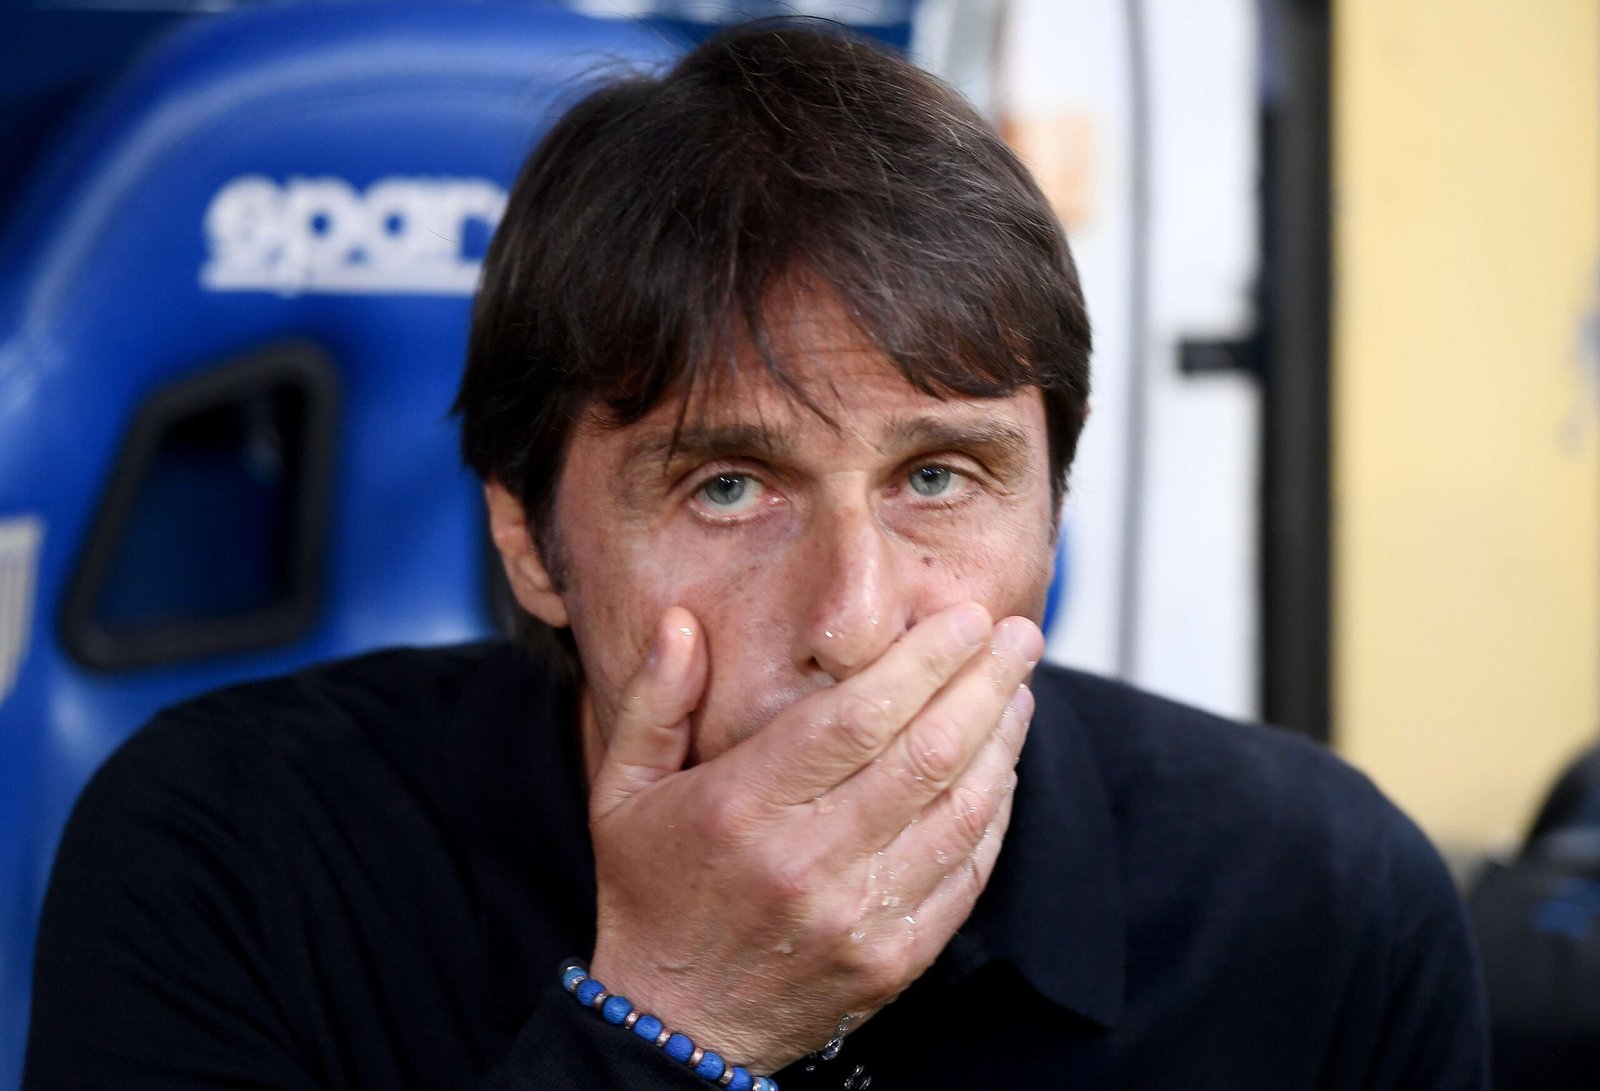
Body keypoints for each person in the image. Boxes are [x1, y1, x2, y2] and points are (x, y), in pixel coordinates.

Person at [24, 21, 1488, 1090]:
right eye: (728, 488)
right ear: (529, 540)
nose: (853, 619)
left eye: (937, 477)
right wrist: (675, 1024)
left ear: (1051, 507)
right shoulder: (235, 859)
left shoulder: (1320, 904)